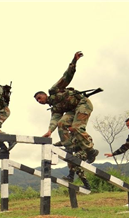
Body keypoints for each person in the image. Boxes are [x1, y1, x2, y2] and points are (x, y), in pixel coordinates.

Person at [34, 51, 99, 189]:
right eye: (37, 101)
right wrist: (49, 131)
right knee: (62, 123)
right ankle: (69, 148)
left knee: (75, 127)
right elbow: (54, 120)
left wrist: (74, 61)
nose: (39, 101)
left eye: (39, 98)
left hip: (82, 104)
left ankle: (91, 150)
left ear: (44, 95)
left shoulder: (54, 90)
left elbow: (66, 77)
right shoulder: (55, 108)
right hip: (72, 110)